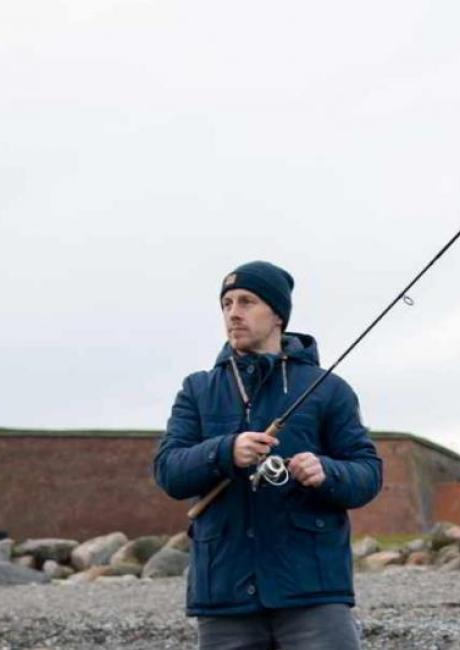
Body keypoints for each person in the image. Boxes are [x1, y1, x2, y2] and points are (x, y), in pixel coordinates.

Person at [153, 260, 382, 650]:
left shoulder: (329, 389)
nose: (233, 313)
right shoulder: (197, 389)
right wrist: (225, 450)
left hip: (313, 591)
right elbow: (168, 471)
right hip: (224, 593)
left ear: (278, 314)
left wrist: (326, 471)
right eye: (226, 304)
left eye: (246, 301)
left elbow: (368, 473)